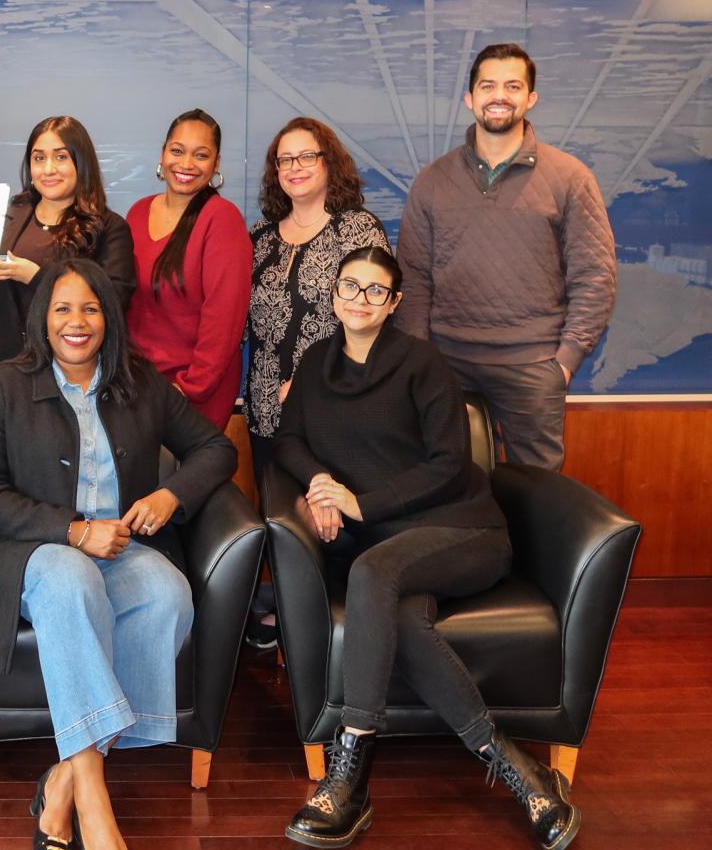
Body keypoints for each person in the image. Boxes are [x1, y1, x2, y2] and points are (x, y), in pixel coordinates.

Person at [274, 247, 579, 850]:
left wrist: (362, 503)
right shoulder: (314, 363)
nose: (359, 299)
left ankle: (350, 774)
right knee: (401, 617)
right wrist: (320, 487)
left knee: (371, 571)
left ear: (393, 304)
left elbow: (449, 464)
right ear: (333, 293)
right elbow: (289, 440)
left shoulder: (422, 363)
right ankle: (520, 766)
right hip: (392, 547)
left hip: (463, 530)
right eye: (349, 286)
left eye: (374, 291)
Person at [0, 258, 236, 850]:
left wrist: (170, 494)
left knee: (167, 593)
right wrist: (72, 530)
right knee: (70, 580)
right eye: (62, 309)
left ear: (109, 318)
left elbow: (214, 448)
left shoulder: (139, 382)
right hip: (32, 551)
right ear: (42, 319)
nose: (76, 322)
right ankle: (95, 801)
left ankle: (62, 784)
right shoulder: (7, 385)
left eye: (90, 308)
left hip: (122, 547)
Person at [396, 43, 616, 471]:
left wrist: (565, 362)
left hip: (533, 367)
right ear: (469, 98)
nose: (500, 95)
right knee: (450, 489)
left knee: (538, 499)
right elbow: (414, 277)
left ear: (531, 98)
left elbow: (595, 276)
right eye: (488, 85)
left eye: (513, 86)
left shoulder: (570, 177)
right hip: (447, 365)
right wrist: (422, 361)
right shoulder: (433, 180)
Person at [246, 117, 389, 478]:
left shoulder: (357, 229)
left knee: (331, 521)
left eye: (307, 156)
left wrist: (310, 378)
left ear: (329, 162)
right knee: (276, 519)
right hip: (265, 411)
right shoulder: (258, 237)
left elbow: (373, 318)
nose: (295, 167)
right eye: (285, 159)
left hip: (334, 407)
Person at [125, 109, 252, 430]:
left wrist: (187, 388)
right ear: (162, 153)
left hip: (193, 395)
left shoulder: (222, 219)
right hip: (136, 387)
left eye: (201, 155)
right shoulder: (137, 213)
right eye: (177, 151)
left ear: (216, 163)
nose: (186, 164)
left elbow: (224, 321)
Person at [0, 115, 135, 364]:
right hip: (6, 366)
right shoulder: (10, 215)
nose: (48, 168)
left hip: (71, 368)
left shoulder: (110, 227)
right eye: (39, 158)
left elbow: (113, 304)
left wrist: (37, 278)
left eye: (61, 157)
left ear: (81, 163)